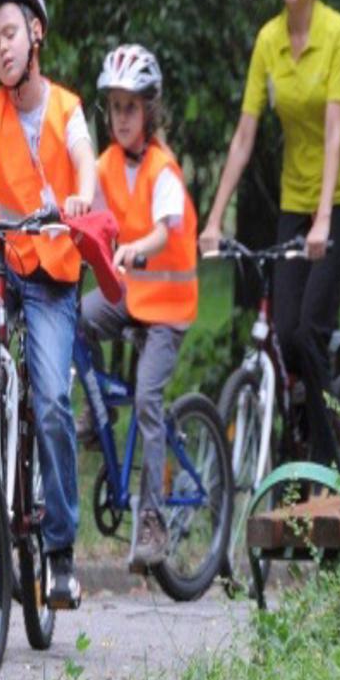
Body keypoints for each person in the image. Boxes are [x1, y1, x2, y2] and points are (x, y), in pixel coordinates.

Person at [199, 0, 340, 468]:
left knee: (307, 331)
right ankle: (293, 441)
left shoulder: (335, 31)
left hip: (339, 200)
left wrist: (324, 219)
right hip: (295, 200)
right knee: (283, 335)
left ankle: (328, 463)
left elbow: (336, 129)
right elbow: (244, 136)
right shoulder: (269, 40)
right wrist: (214, 219)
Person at [0, 0, 96, 609]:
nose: (2, 48)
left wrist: (81, 196)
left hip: (52, 278)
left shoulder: (66, 108)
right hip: (0, 261)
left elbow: (84, 157)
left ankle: (59, 551)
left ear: (35, 32)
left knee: (55, 404)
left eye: (10, 34)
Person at [78, 46, 198, 571]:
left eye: (131, 107)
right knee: (77, 319)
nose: (122, 117)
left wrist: (134, 248)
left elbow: (164, 230)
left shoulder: (162, 169)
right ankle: (96, 408)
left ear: (149, 111)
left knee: (148, 400)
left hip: (167, 305)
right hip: (130, 296)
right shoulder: (105, 165)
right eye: (115, 107)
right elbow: (93, 215)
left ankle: (152, 519)